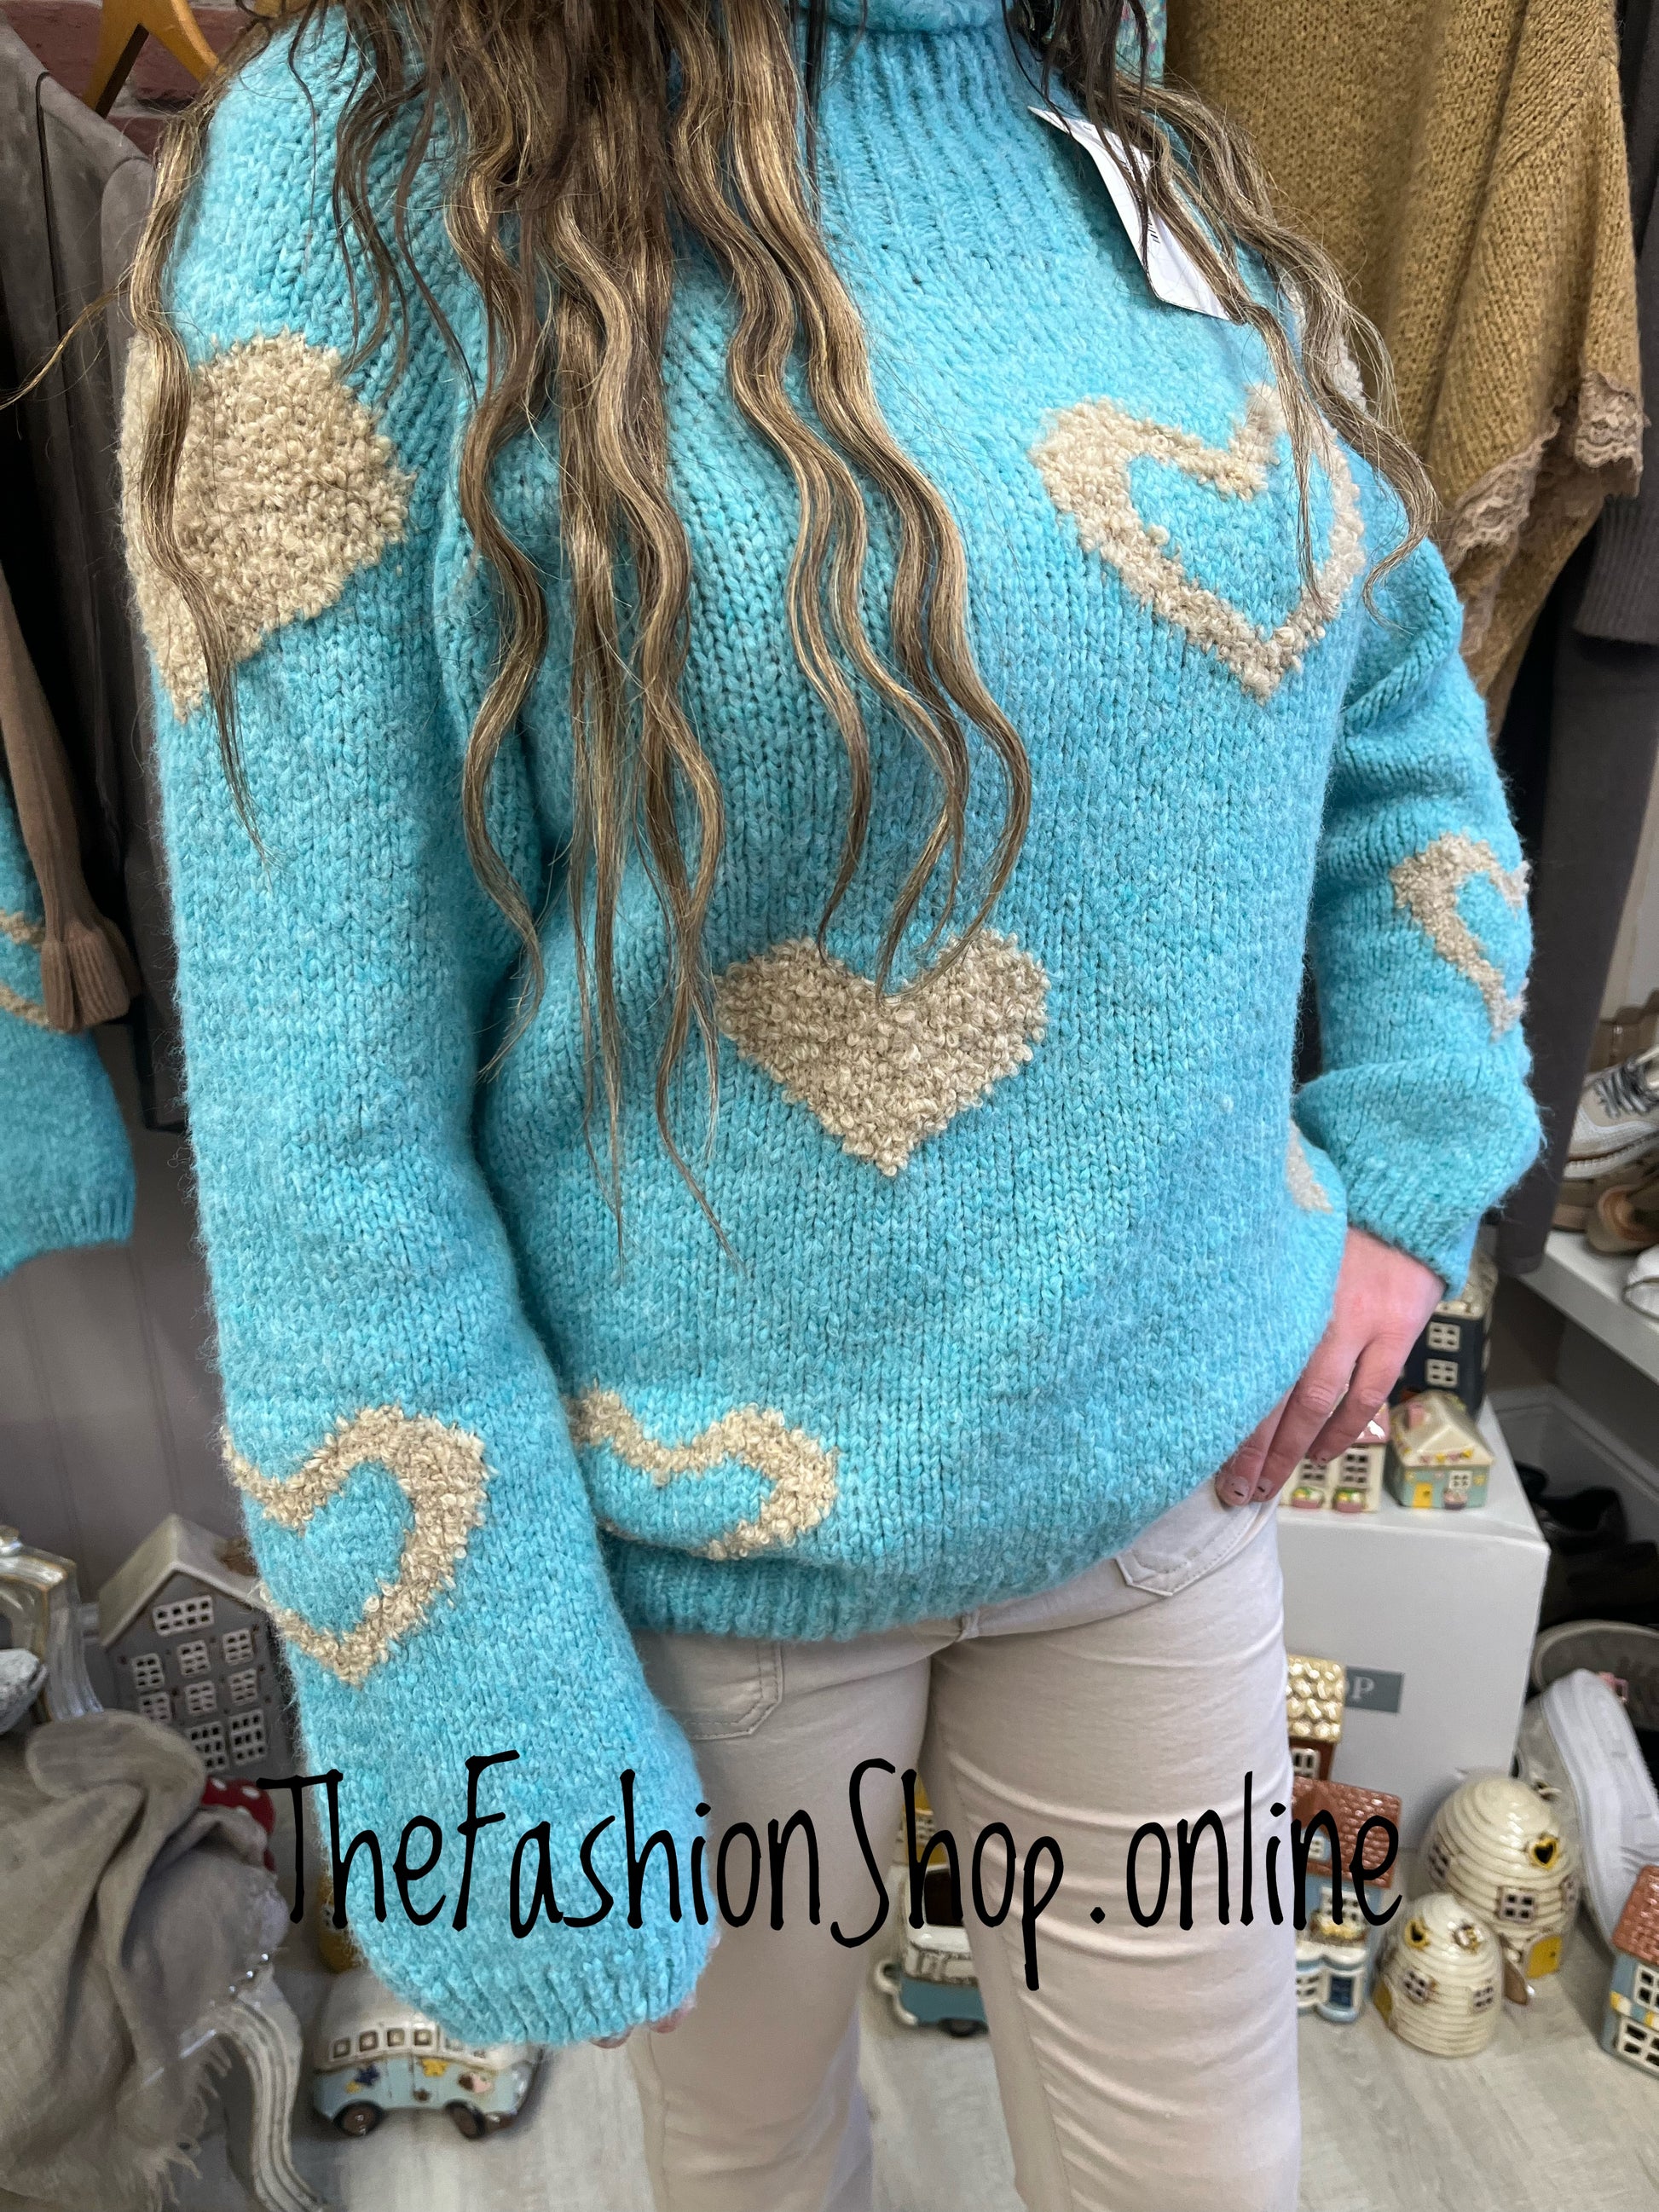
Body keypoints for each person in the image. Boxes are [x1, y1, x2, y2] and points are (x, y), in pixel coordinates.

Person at [120, 0, 1539, 2202]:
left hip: (1167, 1499)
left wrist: (1410, 1162)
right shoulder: (373, 176)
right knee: (756, 2169)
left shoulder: (1118, 136)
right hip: (710, 1576)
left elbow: (1385, 675)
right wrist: (483, 1739)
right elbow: (327, 1112)